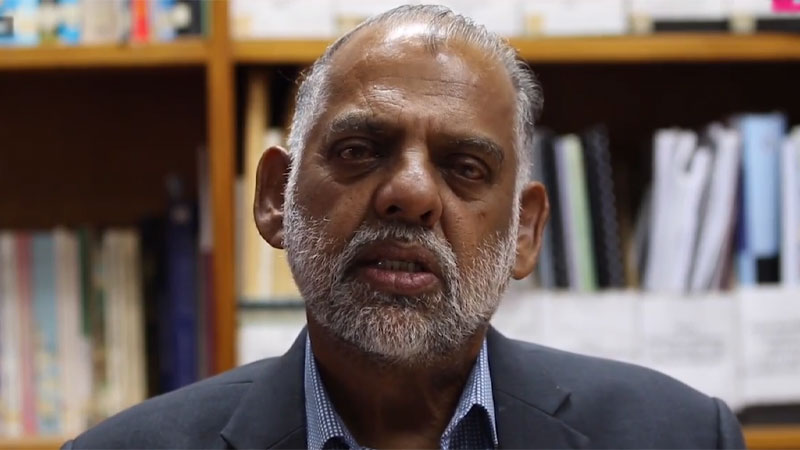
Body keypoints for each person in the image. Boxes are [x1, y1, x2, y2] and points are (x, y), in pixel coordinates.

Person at [63, 5, 745, 449]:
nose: (411, 195)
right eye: (360, 150)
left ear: (525, 231)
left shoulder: (681, 437)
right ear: (275, 198)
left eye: (466, 167)